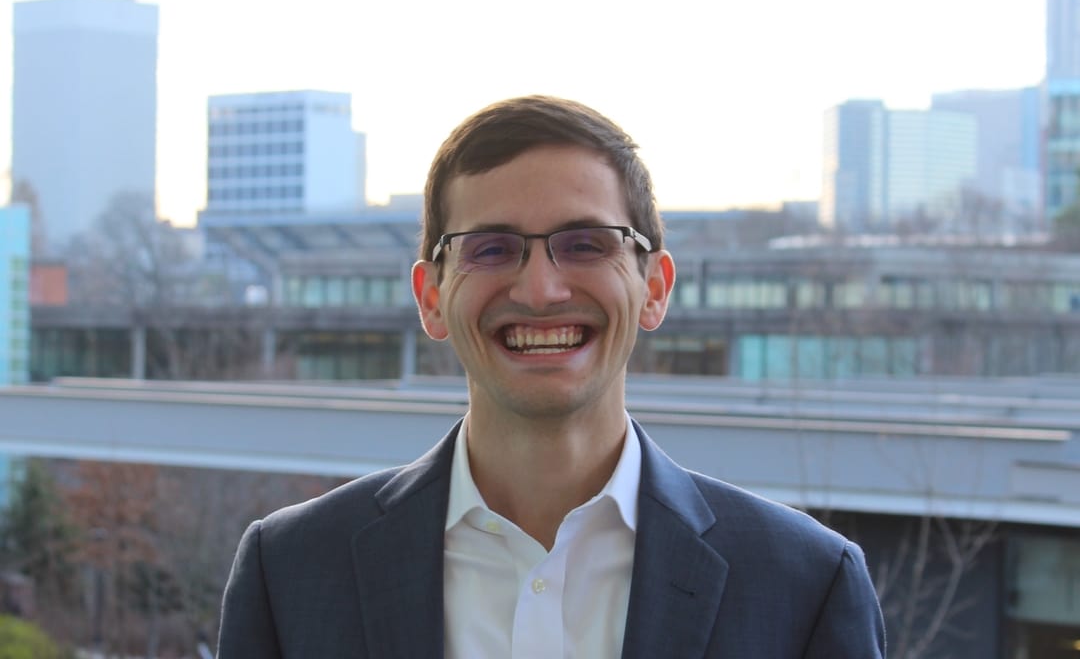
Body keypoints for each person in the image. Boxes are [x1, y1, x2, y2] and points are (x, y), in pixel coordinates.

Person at [217, 95, 886, 658]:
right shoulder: (291, 572)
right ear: (431, 298)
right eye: (490, 248)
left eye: (586, 244)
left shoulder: (805, 586)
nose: (540, 290)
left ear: (654, 288)